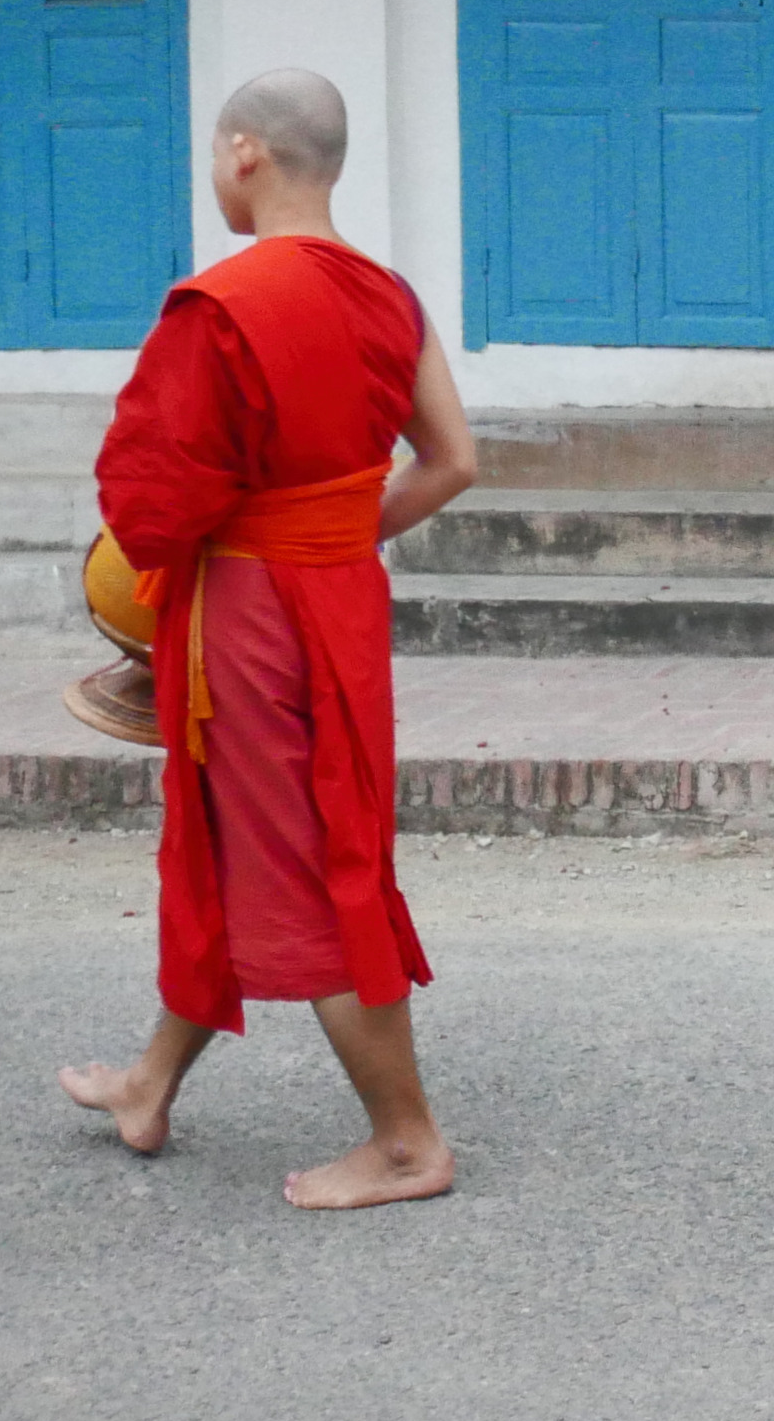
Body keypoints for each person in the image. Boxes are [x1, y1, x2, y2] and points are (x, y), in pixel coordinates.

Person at [58, 71, 477, 1210]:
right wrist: (333, 534)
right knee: (269, 836)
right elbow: (453, 463)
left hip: (247, 615)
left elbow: (149, 500)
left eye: (213, 151)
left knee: (299, 859)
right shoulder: (389, 297)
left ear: (244, 153)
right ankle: (149, 1083)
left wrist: (164, 587)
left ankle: (405, 1143)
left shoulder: (224, 304)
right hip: (337, 600)